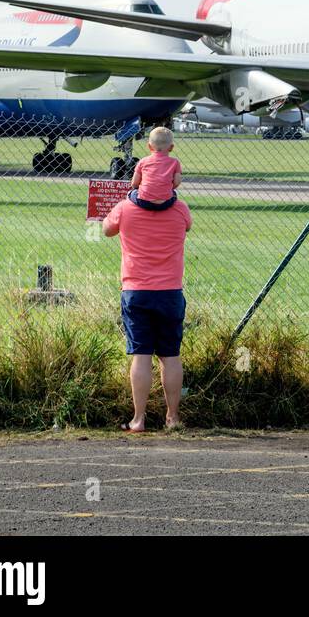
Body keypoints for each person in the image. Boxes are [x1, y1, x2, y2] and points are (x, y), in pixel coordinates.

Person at [102, 182, 193, 432]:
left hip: (136, 291)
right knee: (170, 356)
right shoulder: (180, 209)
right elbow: (188, 225)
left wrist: (127, 201)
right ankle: (173, 417)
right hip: (170, 292)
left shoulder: (125, 208)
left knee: (141, 355)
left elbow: (107, 229)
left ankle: (138, 419)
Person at [130, 126, 183, 210]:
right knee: (174, 193)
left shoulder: (143, 161)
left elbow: (134, 183)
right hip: (165, 202)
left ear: (149, 146)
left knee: (131, 193)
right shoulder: (175, 162)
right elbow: (177, 182)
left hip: (144, 201)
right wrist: (167, 189)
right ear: (171, 147)